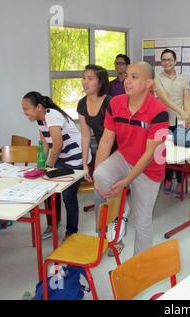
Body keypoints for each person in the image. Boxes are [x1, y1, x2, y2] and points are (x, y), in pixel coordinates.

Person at [93, 62, 169, 255]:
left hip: (150, 168)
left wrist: (127, 181)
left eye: (134, 77)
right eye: (127, 75)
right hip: (124, 157)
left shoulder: (159, 111)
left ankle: (139, 267)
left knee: (143, 221)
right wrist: (97, 176)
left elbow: (150, 153)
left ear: (148, 83)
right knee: (100, 174)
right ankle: (122, 208)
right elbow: (106, 141)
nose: (127, 81)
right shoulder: (115, 103)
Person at [77, 64, 128, 255]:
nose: (85, 81)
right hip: (102, 150)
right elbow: (84, 135)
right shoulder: (82, 104)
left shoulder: (110, 102)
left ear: (100, 82)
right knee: (100, 196)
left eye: (90, 78)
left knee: (111, 194)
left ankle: (116, 239)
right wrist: (84, 164)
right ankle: (102, 235)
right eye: (83, 77)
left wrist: (99, 170)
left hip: (120, 150)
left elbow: (114, 136)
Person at [21, 91, 86, 240]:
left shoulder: (52, 115)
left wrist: (48, 166)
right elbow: (45, 144)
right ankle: (53, 222)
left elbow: (57, 144)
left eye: (26, 109)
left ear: (38, 107)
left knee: (68, 194)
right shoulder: (40, 119)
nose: (24, 113)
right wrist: (41, 165)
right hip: (62, 157)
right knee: (48, 189)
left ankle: (71, 231)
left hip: (76, 158)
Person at [153, 49, 190, 195]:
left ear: (175, 61)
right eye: (164, 59)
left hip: (181, 121)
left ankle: (181, 181)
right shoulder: (157, 78)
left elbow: (186, 98)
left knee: (180, 152)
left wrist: (187, 115)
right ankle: (168, 179)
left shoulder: (183, 78)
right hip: (164, 121)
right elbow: (164, 99)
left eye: (169, 59)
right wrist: (182, 112)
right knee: (166, 152)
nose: (166, 62)